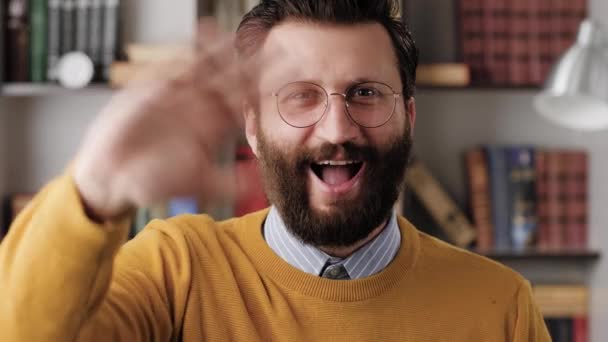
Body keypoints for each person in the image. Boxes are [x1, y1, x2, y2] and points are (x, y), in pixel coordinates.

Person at [0, 1, 550, 341]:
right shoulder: (175, 270)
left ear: (408, 116)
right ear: (253, 128)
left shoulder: (500, 304)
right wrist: (94, 188)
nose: (338, 127)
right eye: (300, 96)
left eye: (365, 93)